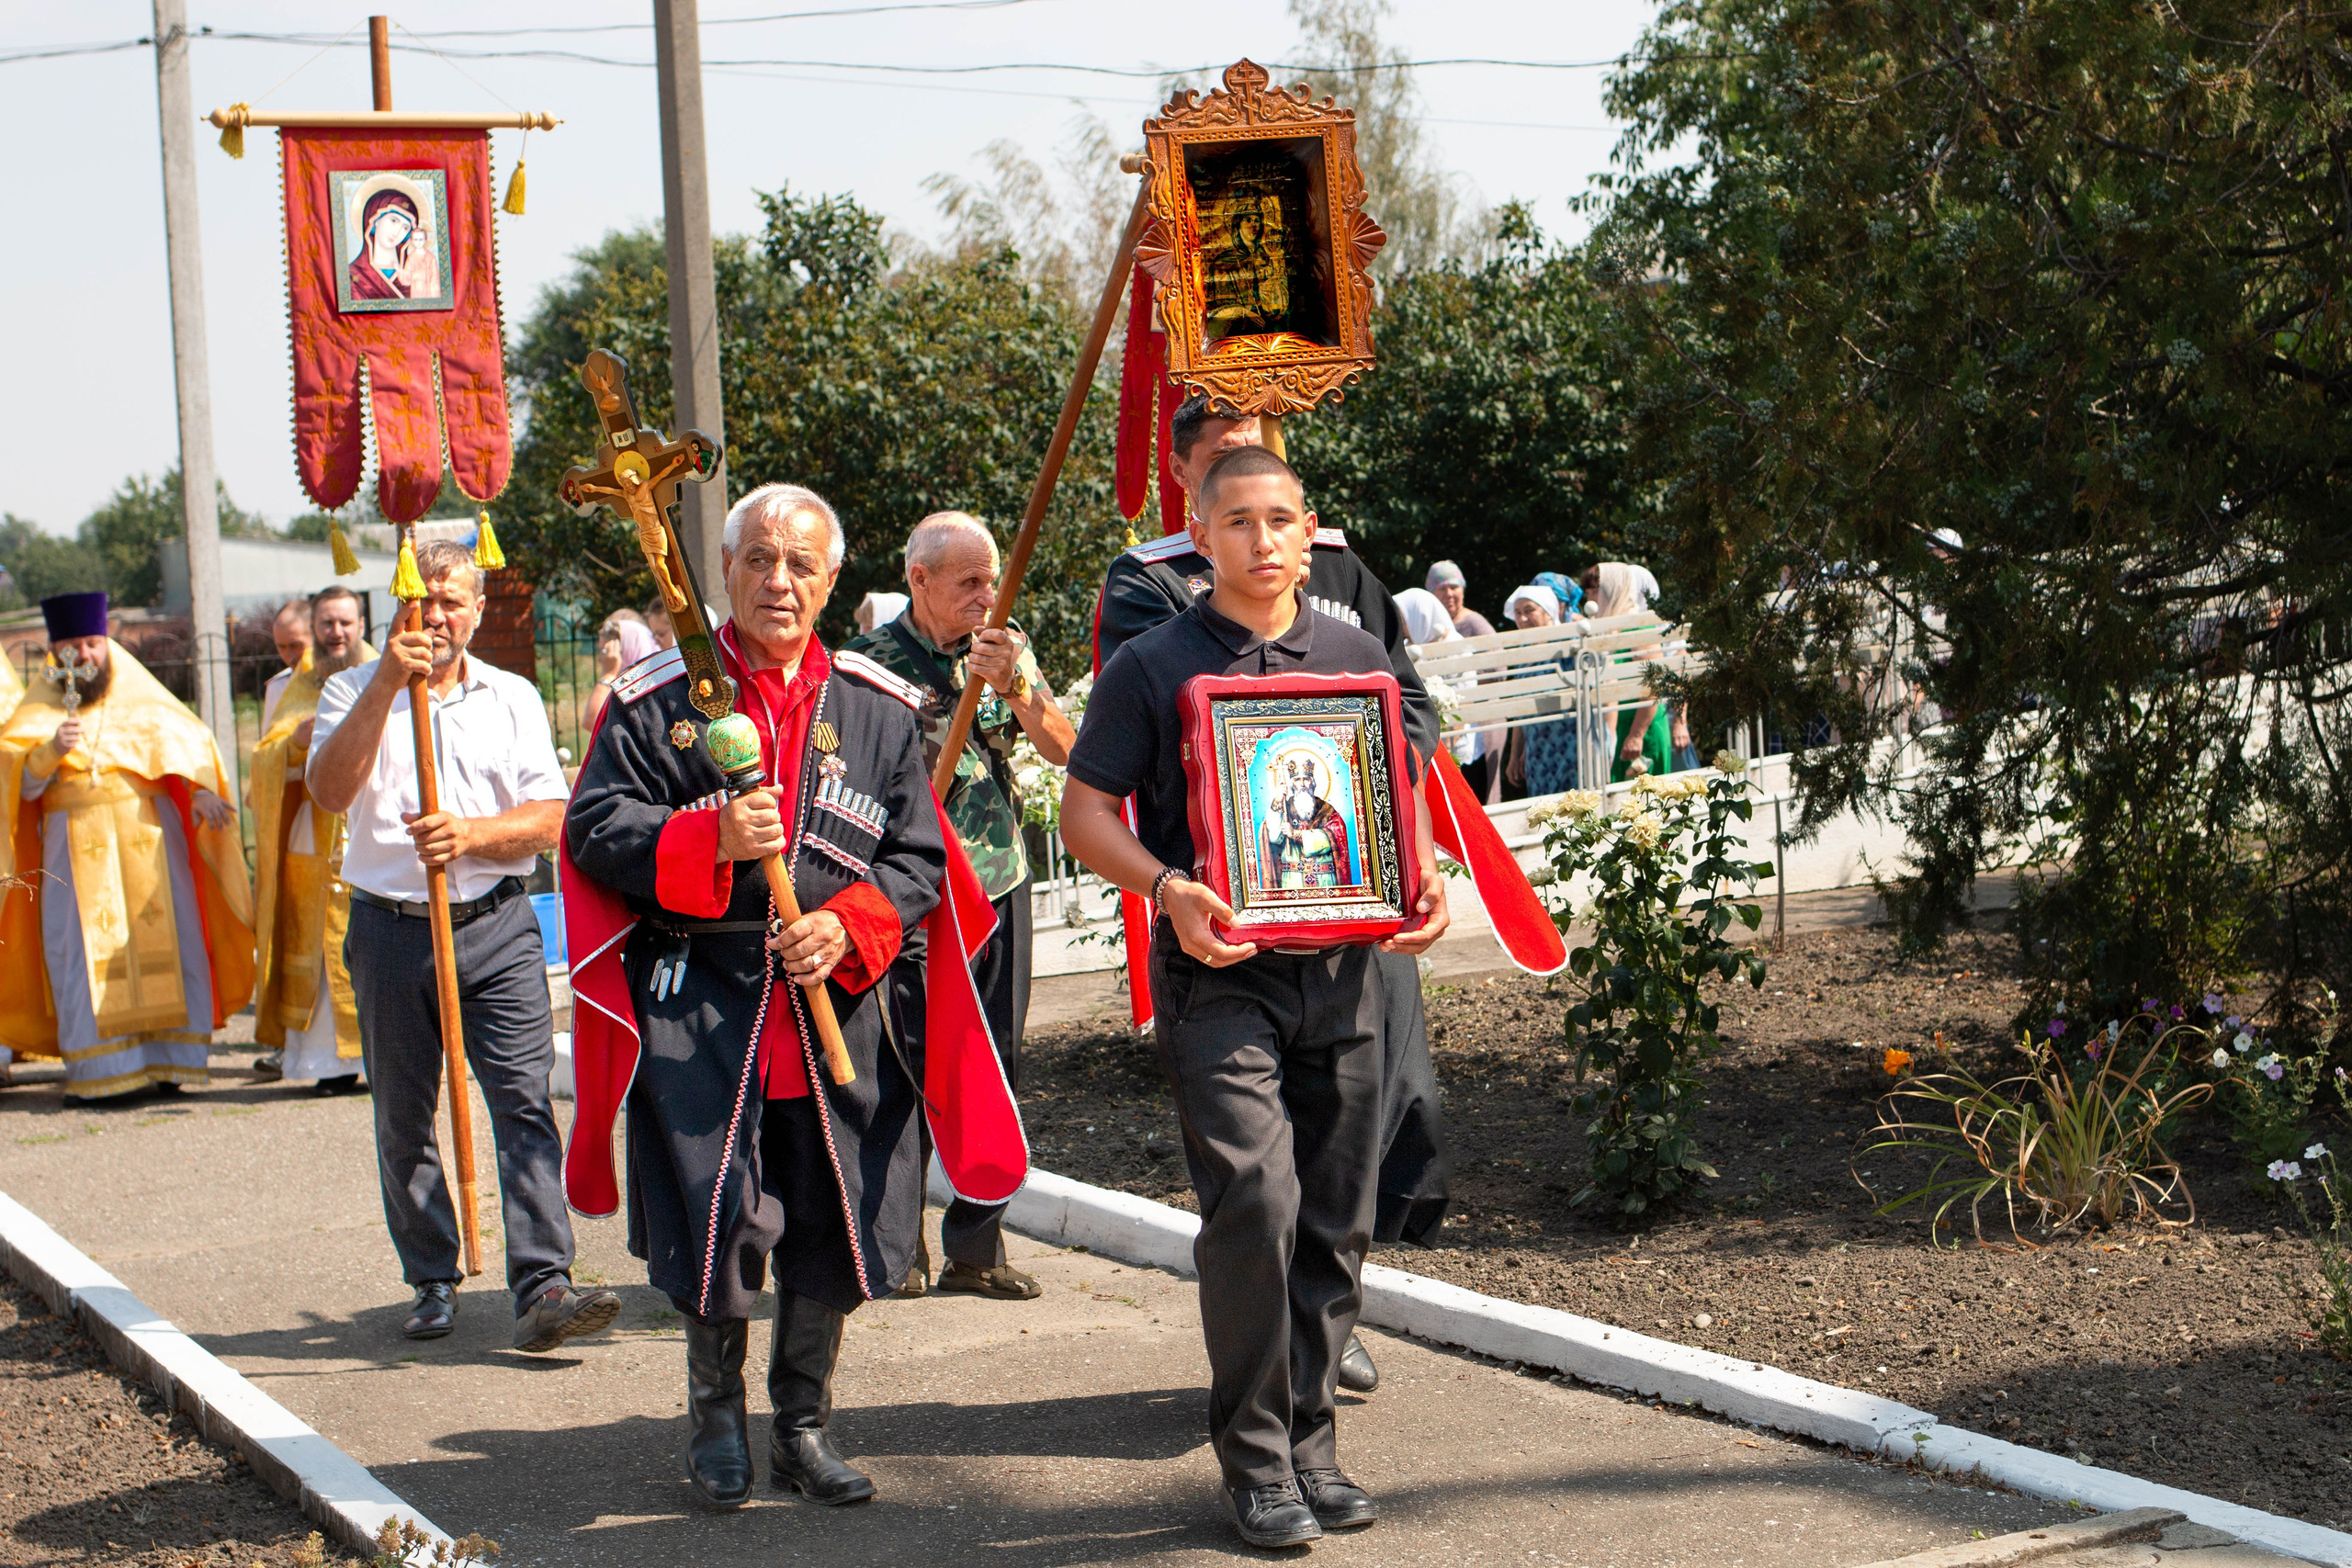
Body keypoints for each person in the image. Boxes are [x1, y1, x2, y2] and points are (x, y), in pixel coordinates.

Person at [563, 481, 980, 1511]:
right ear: (726, 571)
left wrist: (848, 925)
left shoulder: (876, 710)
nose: (779, 581)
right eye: (759, 559)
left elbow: (918, 859)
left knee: (832, 1217)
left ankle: (802, 1424)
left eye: (801, 564)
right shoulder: (655, 700)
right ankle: (716, 1424)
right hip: (699, 1002)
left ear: (833, 580)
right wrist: (704, 839)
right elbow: (593, 830)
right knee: (720, 1212)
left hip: (834, 1002)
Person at [1061, 446, 1449, 1549]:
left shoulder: (1355, 648)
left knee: (1335, 1218)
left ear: (1308, 526)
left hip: (1348, 975)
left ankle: (1316, 1444)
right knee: (1255, 1207)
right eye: (1237, 521)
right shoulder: (1154, 662)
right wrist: (1170, 889)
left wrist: (1417, 879)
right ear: (1200, 531)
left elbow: (1393, 784)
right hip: (1221, 979)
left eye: (1281, 519)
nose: (1263, 541)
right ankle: (1257, 1460)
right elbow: (1084, 813)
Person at [306, 542, 617, 1352]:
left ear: (477, 611)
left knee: (522, 1101)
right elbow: (330, 792)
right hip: (389, 927)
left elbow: (554, 819)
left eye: (452, 601)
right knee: (404, 1114)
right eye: (423, 600)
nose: (436, 615)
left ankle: (545, 1280)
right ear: (397, 607)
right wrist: (383, 683)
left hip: (495, 925)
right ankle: (432, 1275)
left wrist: (471, 834)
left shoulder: (510, 696)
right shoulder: (350, 686)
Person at [843, 513, 1074, 1303]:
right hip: (908, 891)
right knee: (901, 1063)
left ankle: (977, 1244)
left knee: (995, 1062)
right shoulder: (865, 665)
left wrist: (1014, 683)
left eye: (992, 579)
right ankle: (891, 1247)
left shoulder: (1005, 651)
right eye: (969, 581)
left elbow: (1064, 745)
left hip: (995, 879)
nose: (986, 595)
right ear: (919, 581)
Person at [0, 593, 254, 1101]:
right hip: (69, 849)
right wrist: (50, 751)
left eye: (91, 644)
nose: (82, 657)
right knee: (77, 951)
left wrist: (202, 791)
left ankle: (169, 1063)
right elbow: (16, 786)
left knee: (173, 940)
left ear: (107, 641)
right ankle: (101, 1072)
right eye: (69, 647)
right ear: (54, 652)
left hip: (152, 843)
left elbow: (188, 745)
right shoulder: (37, 710)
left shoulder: (143, 696)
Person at [250, 586, 374, 1091]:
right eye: (326, 624)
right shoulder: (291, 686)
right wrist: (291, 747)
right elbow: (262, 758)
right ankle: (327, 1062)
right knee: (321, 954)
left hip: (369, 828)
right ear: (315, 629)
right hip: (314, 836)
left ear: (361, 625)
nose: (336, 633)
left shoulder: (384, 675)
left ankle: (373, 1058)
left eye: (345, 622)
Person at [1585, 562, 1672, 782]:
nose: (1590, 600)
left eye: (1596, 591)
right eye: (1588, 593)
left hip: (1642, 734)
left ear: (1613, 589)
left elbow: (1654, 686)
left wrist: (1636, 736)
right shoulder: (1610, 629)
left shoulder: (1638, 628)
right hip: (1619, 733)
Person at [1497, 584, 1578, 799]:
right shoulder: (1524, 656)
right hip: (1538, 752)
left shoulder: (1567, 645)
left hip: (1573, 747)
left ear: (1548, 612)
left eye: (1529, 610)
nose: (1522, 619)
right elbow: (1521, 708)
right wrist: (1515, 755)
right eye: (1518, 613)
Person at [583, 608, 660, 732]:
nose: (601, 660)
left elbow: (592, 722)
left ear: (628, 649)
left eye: (606, 652)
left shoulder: (648, 693)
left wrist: (608, 674)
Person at [259, 599, 313, 736]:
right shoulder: (277, 687)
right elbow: (270, 743)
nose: (289, 656)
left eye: (296, 645)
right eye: (281, 647)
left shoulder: (337, 680)